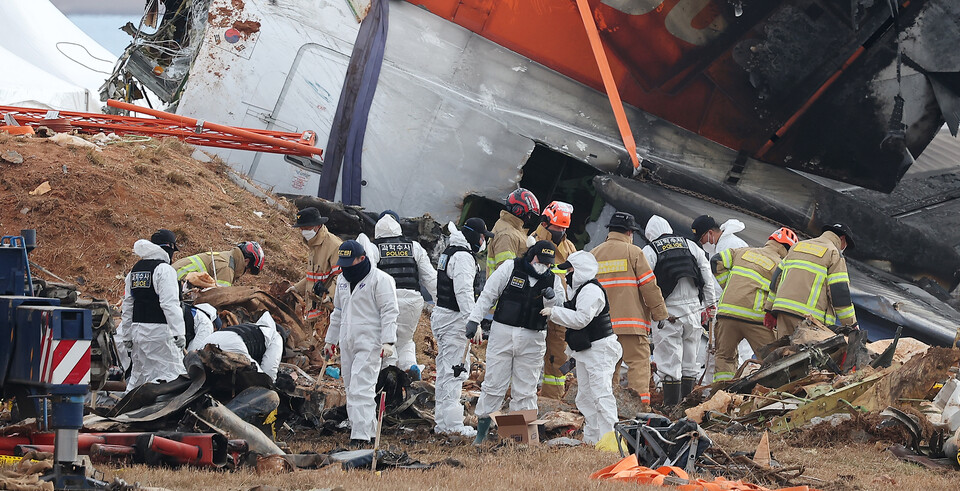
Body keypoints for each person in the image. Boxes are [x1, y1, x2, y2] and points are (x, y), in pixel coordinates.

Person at [468, 240, 564, 444]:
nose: (544, 266)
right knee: (493, 384)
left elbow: (559, 311)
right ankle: (481, 435)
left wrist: (551, 299)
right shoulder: (510, 268)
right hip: (503, 332)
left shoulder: (553, 281)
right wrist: (474, 319)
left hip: (533, 338)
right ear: (532, 255)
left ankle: (518, 439)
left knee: (526, 390)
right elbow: (488, 295)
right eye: (541, 260)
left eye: (548, 263)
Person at [324, 240, 399, 446]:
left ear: (362, 259)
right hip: (347, 340)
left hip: (370, 341)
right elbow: (337, 312)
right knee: (350, 386)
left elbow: (389, 312)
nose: (347, 267)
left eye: (350, 262)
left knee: (361, 387)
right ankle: (370, 429)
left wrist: (388, 341)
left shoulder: (381, 280)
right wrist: (331, 340)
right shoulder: (341, 280)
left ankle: (360, 436)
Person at [590, 212, 668, 407]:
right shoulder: (635, 253)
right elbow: (649, 286)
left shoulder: (593, 255)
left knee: (608, 369)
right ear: (629, 232)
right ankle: (639, 410)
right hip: (631, 325)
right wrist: (660, 313)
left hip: (602, 327)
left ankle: (606, 408)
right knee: (638, 365)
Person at [542, 251, 621, 444]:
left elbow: (581, 319)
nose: (566, 275)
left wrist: (555, 312)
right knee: (585, 397)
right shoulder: (581, 290)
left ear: (579, 271)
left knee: (601, 395)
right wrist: (554, 302)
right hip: (587, 352)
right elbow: (572, 310)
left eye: (569, 271)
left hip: (600, 350)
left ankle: (611, 439)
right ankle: (593, 439)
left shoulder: (591, 291)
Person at [642, 215, 718, 405]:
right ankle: (688, 405)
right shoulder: (690, 245)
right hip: (693, 311)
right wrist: (710, 306)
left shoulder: (650, 250)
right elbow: (706, 276)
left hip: (667, 313)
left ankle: (671, 406)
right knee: (690, 359)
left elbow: (644, 283)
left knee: (669, 360)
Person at [710, 227, 798, 382]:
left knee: (724, 358)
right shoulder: (781, 264)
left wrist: (728, 287)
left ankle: (720, 398)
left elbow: (716, 260)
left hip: (726, 314)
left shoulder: (743, 251)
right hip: (755, 318)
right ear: (786, 248)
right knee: (773, 360)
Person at [431, 218, 492, 437]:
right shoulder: (464, 257)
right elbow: (464, 292)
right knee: (454, 371)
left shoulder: (449, 251)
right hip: (454, 318)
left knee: (446, 371)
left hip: (443, 315)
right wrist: (472, 321)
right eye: (483, 236)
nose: (484, 241)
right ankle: (452, 424)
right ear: (474, 236)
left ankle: (442, 422)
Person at [356, 211, 437, 374]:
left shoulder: (373, 248)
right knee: (406, 341)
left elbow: (368, 276)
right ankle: (409, 368)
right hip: (412, 301)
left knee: (386, 342)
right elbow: (431, 279)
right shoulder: (414, 247)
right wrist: (441, 302)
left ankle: (390, 374)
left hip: (386, 301)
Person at [118, 229, 186, 389]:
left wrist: (127, 335)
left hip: (137, 333)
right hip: (160, 334)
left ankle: (127, 411)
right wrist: (179, 332)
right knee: (171, 378)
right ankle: (165, 413)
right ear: (169, 248)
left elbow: (127, 306)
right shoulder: (164, 270)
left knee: (138, 378)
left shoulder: (134, 271)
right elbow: (169, 304)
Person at [765, 223, 858, 337]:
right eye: (846, 245)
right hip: (808, 319)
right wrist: (852, 326)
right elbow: (840, 293)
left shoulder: (797, 246)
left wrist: (769, 310)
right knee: (803, 354)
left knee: (782, 352)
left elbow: (776, 279)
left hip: (782, 311)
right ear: (842, 239)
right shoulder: (833, 253)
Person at [691, 215, 748, 384]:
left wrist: (707, 307)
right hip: (733, 305)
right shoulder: (724, 245)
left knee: (726, 352)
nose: (702, 244)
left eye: (702, 239)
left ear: (710, 233)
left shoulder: (727, 246)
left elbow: (718, 285)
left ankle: (725, 390)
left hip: (734, 307)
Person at [531, 201, 577, 400]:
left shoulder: (569, 247)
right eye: (557, 226)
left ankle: (552, 401)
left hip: (559, 312)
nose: (560, 231)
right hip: (534, 311)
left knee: (557, 358)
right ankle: (514, 400)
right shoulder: (532, 242)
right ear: (546, 222)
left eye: (563, 228)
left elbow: (576, 277)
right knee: (528, 358)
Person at [291, 207, 343, 339]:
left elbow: (341, 276)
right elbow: (314, 276)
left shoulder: (333, 246)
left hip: (327, 310)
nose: (303, 232)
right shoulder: (313, 244)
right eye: (301, 229)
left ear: (318, 225)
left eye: (307, 228)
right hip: (312, 307)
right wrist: (296, 288)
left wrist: (330, 296)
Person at [199, 311, 284, 381]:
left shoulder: (253, 327)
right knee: (261, 382)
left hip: (209, 340)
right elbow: (269, 371)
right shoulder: (276, 336)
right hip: (233, 344)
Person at [486, 188, 541, 276]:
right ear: (519, 210)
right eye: (529, 214)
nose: (529, 218)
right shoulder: (506, 235)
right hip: (504, 289)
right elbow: (506, 271)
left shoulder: (513, 229)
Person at [173, 242, 264, 287]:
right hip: (177, 281)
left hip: (175, 276)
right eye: (248, 270)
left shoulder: (226, 257)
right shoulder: (227, 268)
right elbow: (219, 298)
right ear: (247, 261)